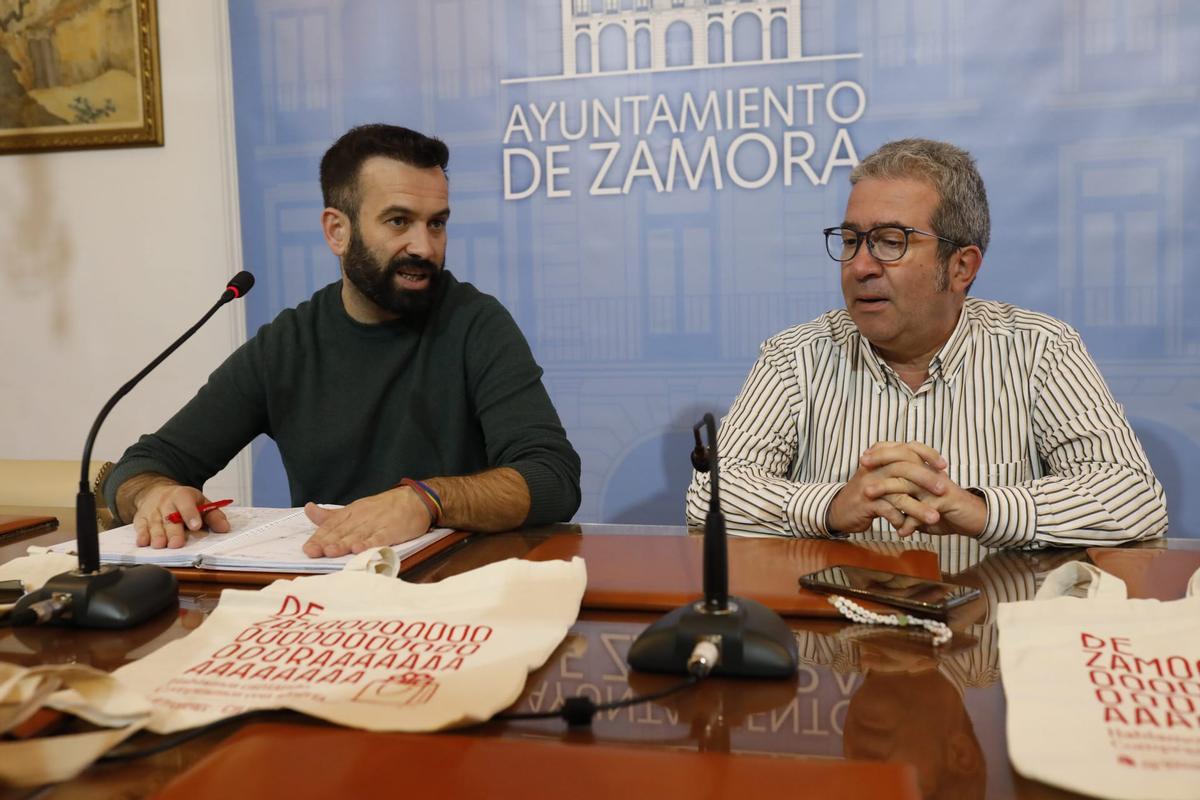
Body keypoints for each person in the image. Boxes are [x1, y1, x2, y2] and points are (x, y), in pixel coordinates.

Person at [105, 124, 581, 556]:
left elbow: (553, 477)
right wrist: (154, 494)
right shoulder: (288, 344)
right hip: (322, 593)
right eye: (399, 221)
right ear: (337, 230)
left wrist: (428, 500)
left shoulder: (475, 323)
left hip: (453, 592)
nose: (425, 246)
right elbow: (143, 465)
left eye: (436, 222)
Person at [686, 138, 1166, 547]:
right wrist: (830, 505)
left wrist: (980, 509)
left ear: (962, 266)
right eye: (851, 240)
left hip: (984, 640)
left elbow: (1133, 496)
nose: (860, 266)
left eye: (891, 241)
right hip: (834, 642)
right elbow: (710, 494)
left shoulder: (1040, 349)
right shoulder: (795, 357)